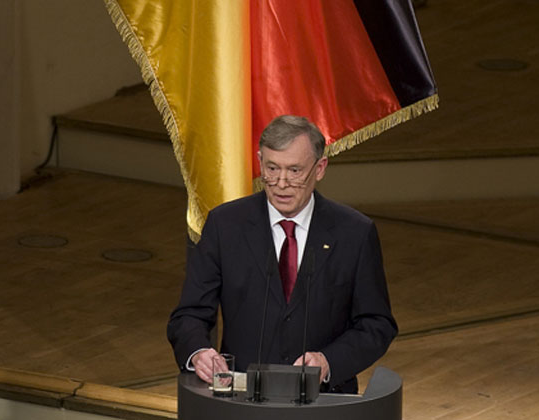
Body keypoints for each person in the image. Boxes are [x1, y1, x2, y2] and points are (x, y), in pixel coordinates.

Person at [167, 115, 397, 394]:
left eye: (295, 171)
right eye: (272, 168)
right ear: (260, 160)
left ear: (320, 168)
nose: (281, 183)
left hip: (324, 402)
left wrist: (329, 361)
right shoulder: (226, 225)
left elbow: (377, 324)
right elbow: (189, 314)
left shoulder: (354, 233)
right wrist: (199, 352)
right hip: (242, 400)